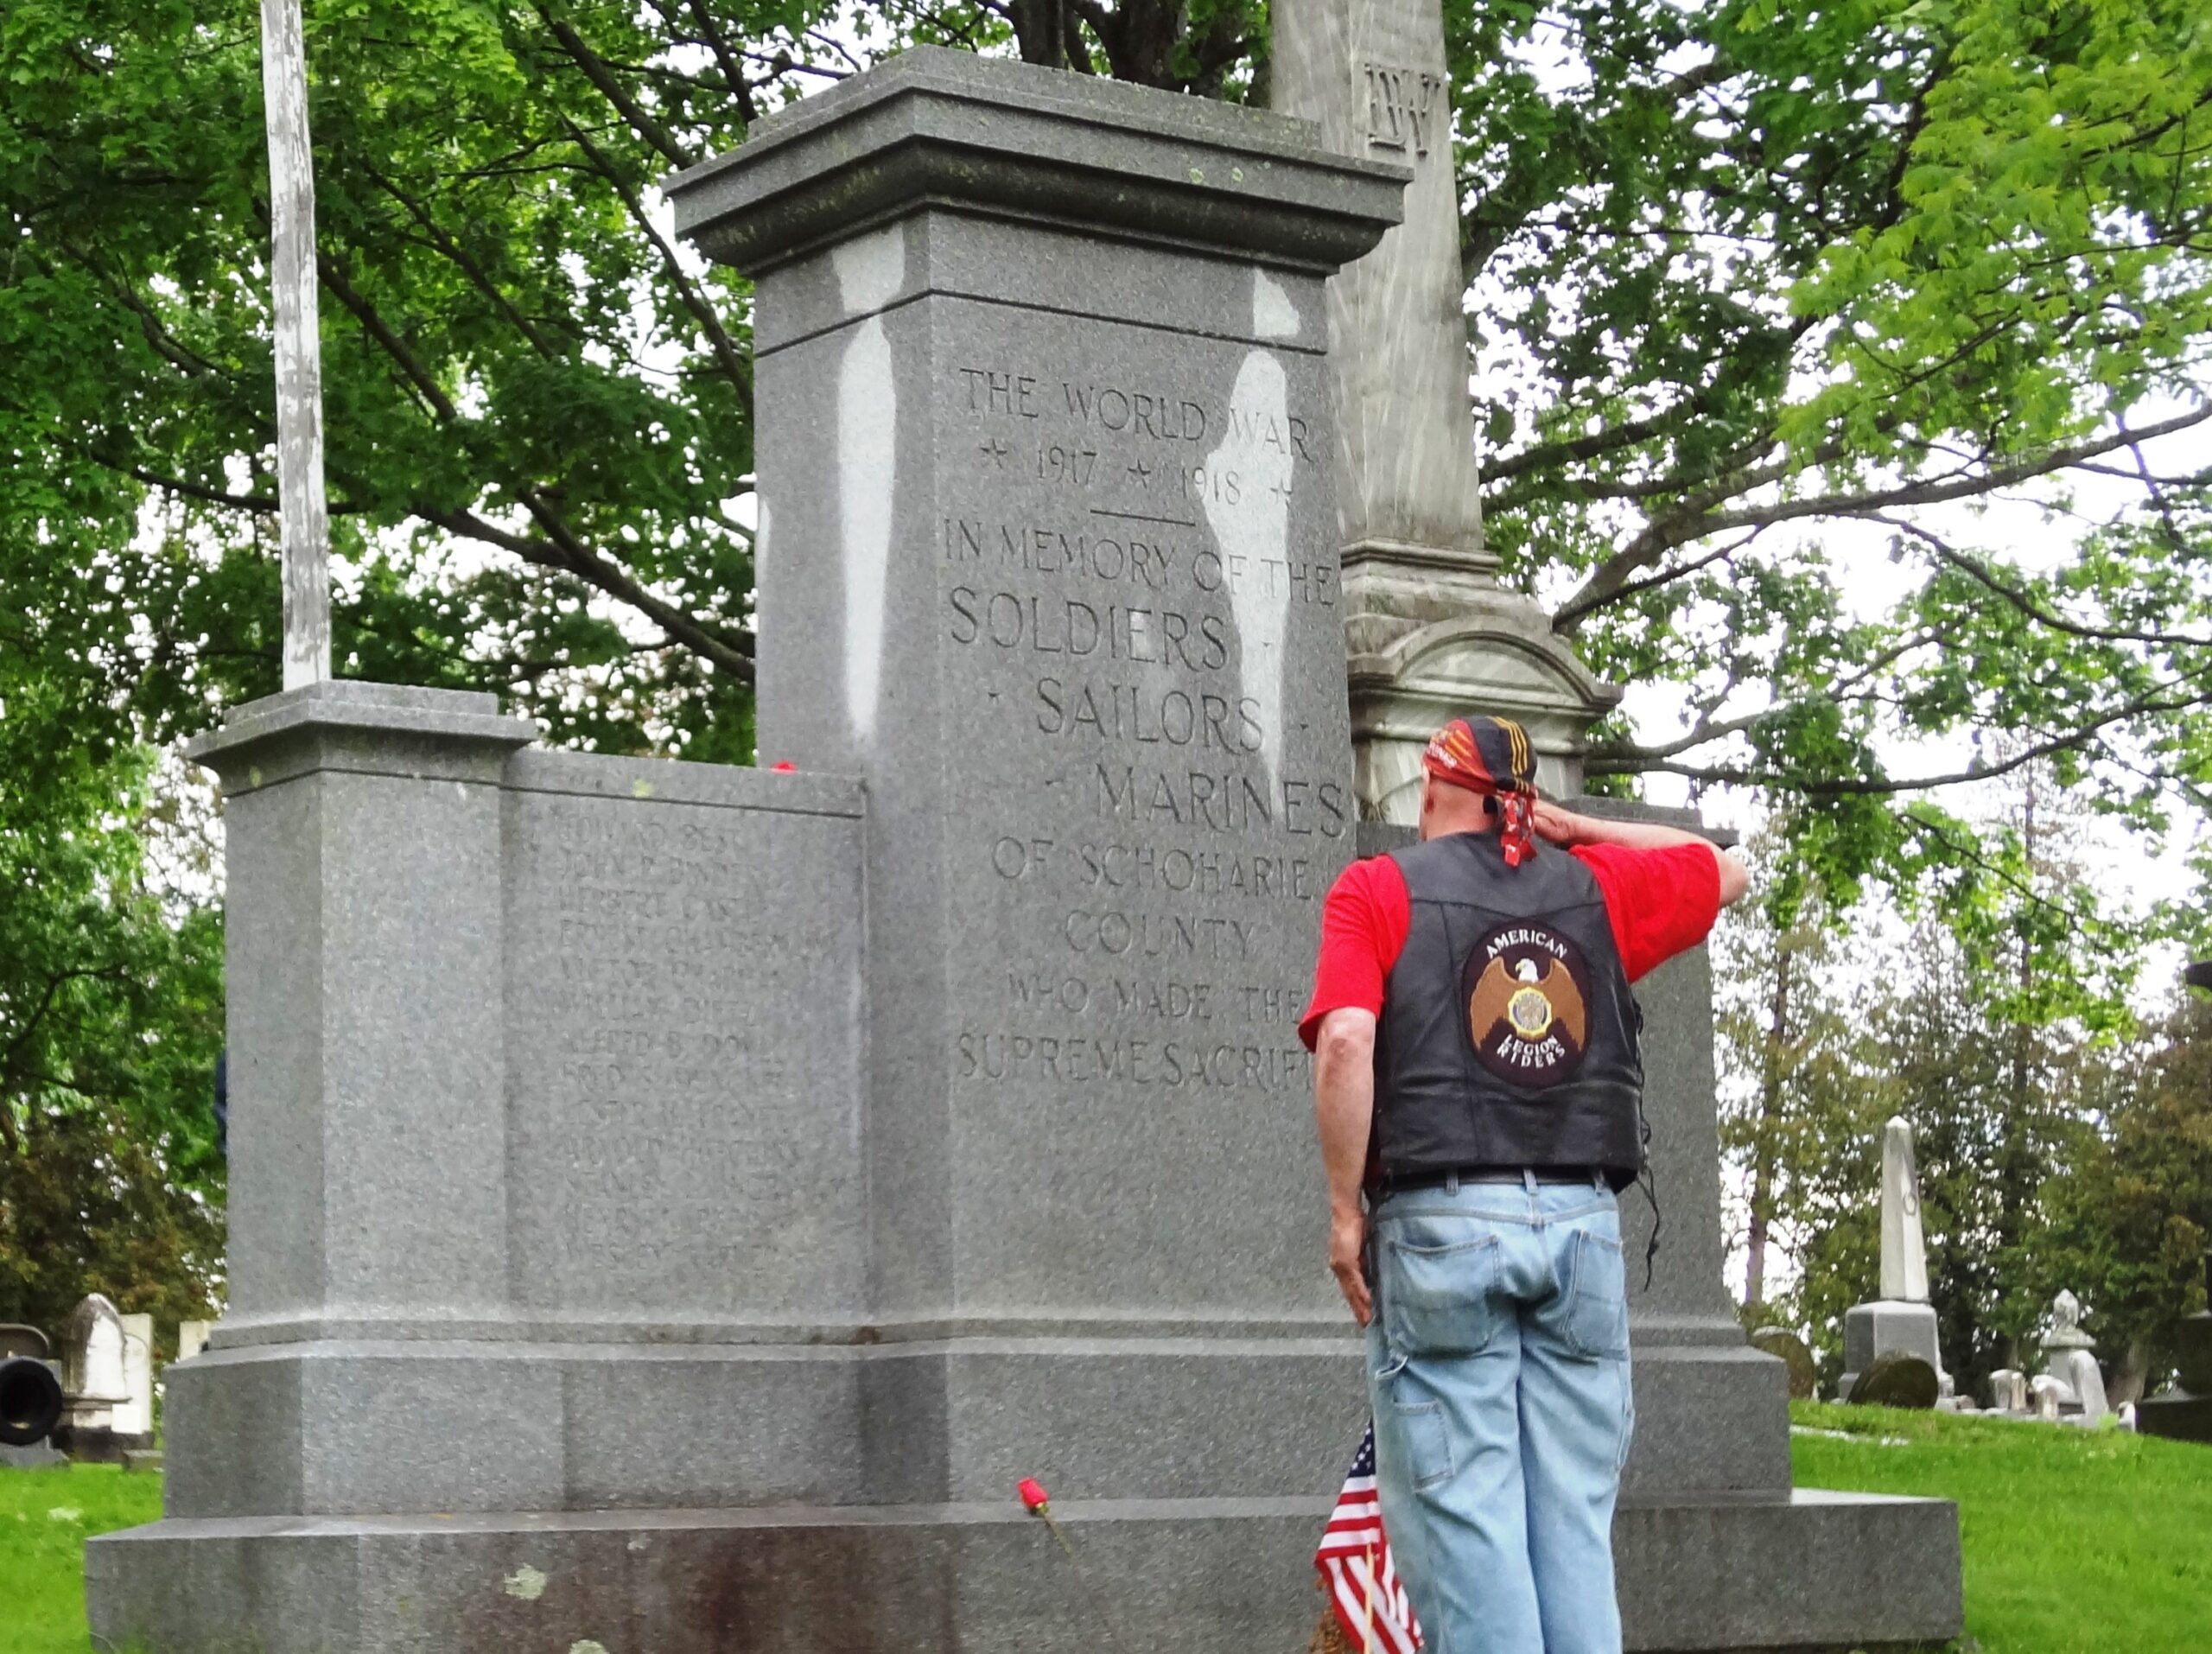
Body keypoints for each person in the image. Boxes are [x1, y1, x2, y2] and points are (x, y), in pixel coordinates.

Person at [1301, 715, 1748, 1654]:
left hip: (1439, 1229)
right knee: (1572, 1536)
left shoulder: (1375, 890)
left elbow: (1345, 1039)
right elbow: (1724, 865)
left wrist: (1345, 1213)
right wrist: (1581, 830)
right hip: (1583, 1230)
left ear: (1429, 788)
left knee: (1469, 1532)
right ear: (1521, 800)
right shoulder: (1591, 889)